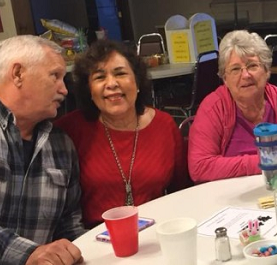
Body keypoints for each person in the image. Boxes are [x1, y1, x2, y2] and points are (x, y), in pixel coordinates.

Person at [54, 40, 191, 228]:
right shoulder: (69, 130)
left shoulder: (164, 125)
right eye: (100, 77)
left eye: (120, 73)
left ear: (137, 82)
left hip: (155, 231)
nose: (112, 84)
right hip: (92, 238)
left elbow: (181, 192)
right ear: (89, 91)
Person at [0, 36, 84, 264]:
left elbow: (70, 225)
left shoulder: (62, 145)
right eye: (55, 76)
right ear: (17, 74)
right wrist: (29, 254)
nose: (64, 90)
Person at [188, 30, 277, 183]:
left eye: (252, 66)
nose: (245, 75)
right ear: (225, 78)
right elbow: (200, 167)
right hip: (231, 198)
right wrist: (264, 162)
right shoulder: (213, 109)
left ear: (267, 71)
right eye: (235, 69)